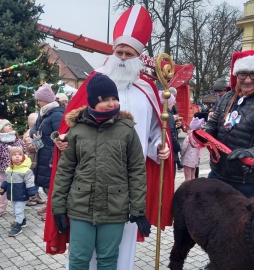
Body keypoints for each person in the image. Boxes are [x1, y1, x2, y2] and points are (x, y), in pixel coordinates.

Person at [45, 5, 174, 270]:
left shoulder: (148, 88)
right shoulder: (95, 83)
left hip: (124, 185)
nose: (124, 57)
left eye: (129, 53)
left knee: (118, 247)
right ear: (113, 52)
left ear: (138, 56)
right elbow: (70, 127)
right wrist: (61, 138)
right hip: (87, 185)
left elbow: (154, 132)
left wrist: (160, 147)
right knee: (82, 254)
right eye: (120, 52)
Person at [51, 74, 150, 269]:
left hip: (115, 207)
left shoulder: (127, 130)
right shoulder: (77, 130)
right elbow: (65, 171)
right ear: (93, 102)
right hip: (81, 207)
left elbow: (137, 170)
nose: (112, 103)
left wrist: (138, 209)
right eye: (105, 100)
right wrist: (58, 207)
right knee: (79, 259)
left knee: (108, 259)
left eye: (114, 99)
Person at [203, 49, 254, 198]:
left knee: (241, 221)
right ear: (237, 74)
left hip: (246, 180)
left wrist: (251, 153)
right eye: (243, 74)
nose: (247, 80)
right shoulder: (229, 96)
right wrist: (202, 134)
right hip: (217, 173)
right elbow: (214, 123)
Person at [29, 83, 65, 220]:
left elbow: (60, 135)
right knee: (47, 184)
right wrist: (33, 134)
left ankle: (53, 211)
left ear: (46, 100)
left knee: (52, 184)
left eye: (39, 100)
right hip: (42, 151)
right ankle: (49, 206)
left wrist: (53, 154)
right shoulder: (44, 112)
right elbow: (35, 128)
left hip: (51, 153)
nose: (38, 102)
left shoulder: (56, 114)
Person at [0, 119, 25, 218]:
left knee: (19, 188)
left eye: (10, 124)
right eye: (6, 125)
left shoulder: (17, 140)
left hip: (18, 169)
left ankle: (19, 208)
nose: (10, 126)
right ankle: (0, 208)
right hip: (4, 171)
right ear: (0, 130)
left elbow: (24, 151)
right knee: (3, 190)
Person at [0, 146, 36, 237]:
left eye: (20, 154)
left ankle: (17, 226)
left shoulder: (26, 170)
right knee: (15, 210)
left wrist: (32, 193)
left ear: (23, 156)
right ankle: (22, 221)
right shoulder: (9, 169)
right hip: (13, 194)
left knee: (18, 210)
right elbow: (6, 180)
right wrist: (3, 188)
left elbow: (30, 182)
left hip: (22, 194)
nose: (17, 156)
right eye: (14, 155)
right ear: (10, 157)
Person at [23, 112, 45, 206]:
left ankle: (36, 195)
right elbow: (30, 147)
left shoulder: (36, 132)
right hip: (31, 161)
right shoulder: (29, 134)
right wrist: (40, 142)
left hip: (36, 161)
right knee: (30, 180)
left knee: (36, 179)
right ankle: (29, 197)